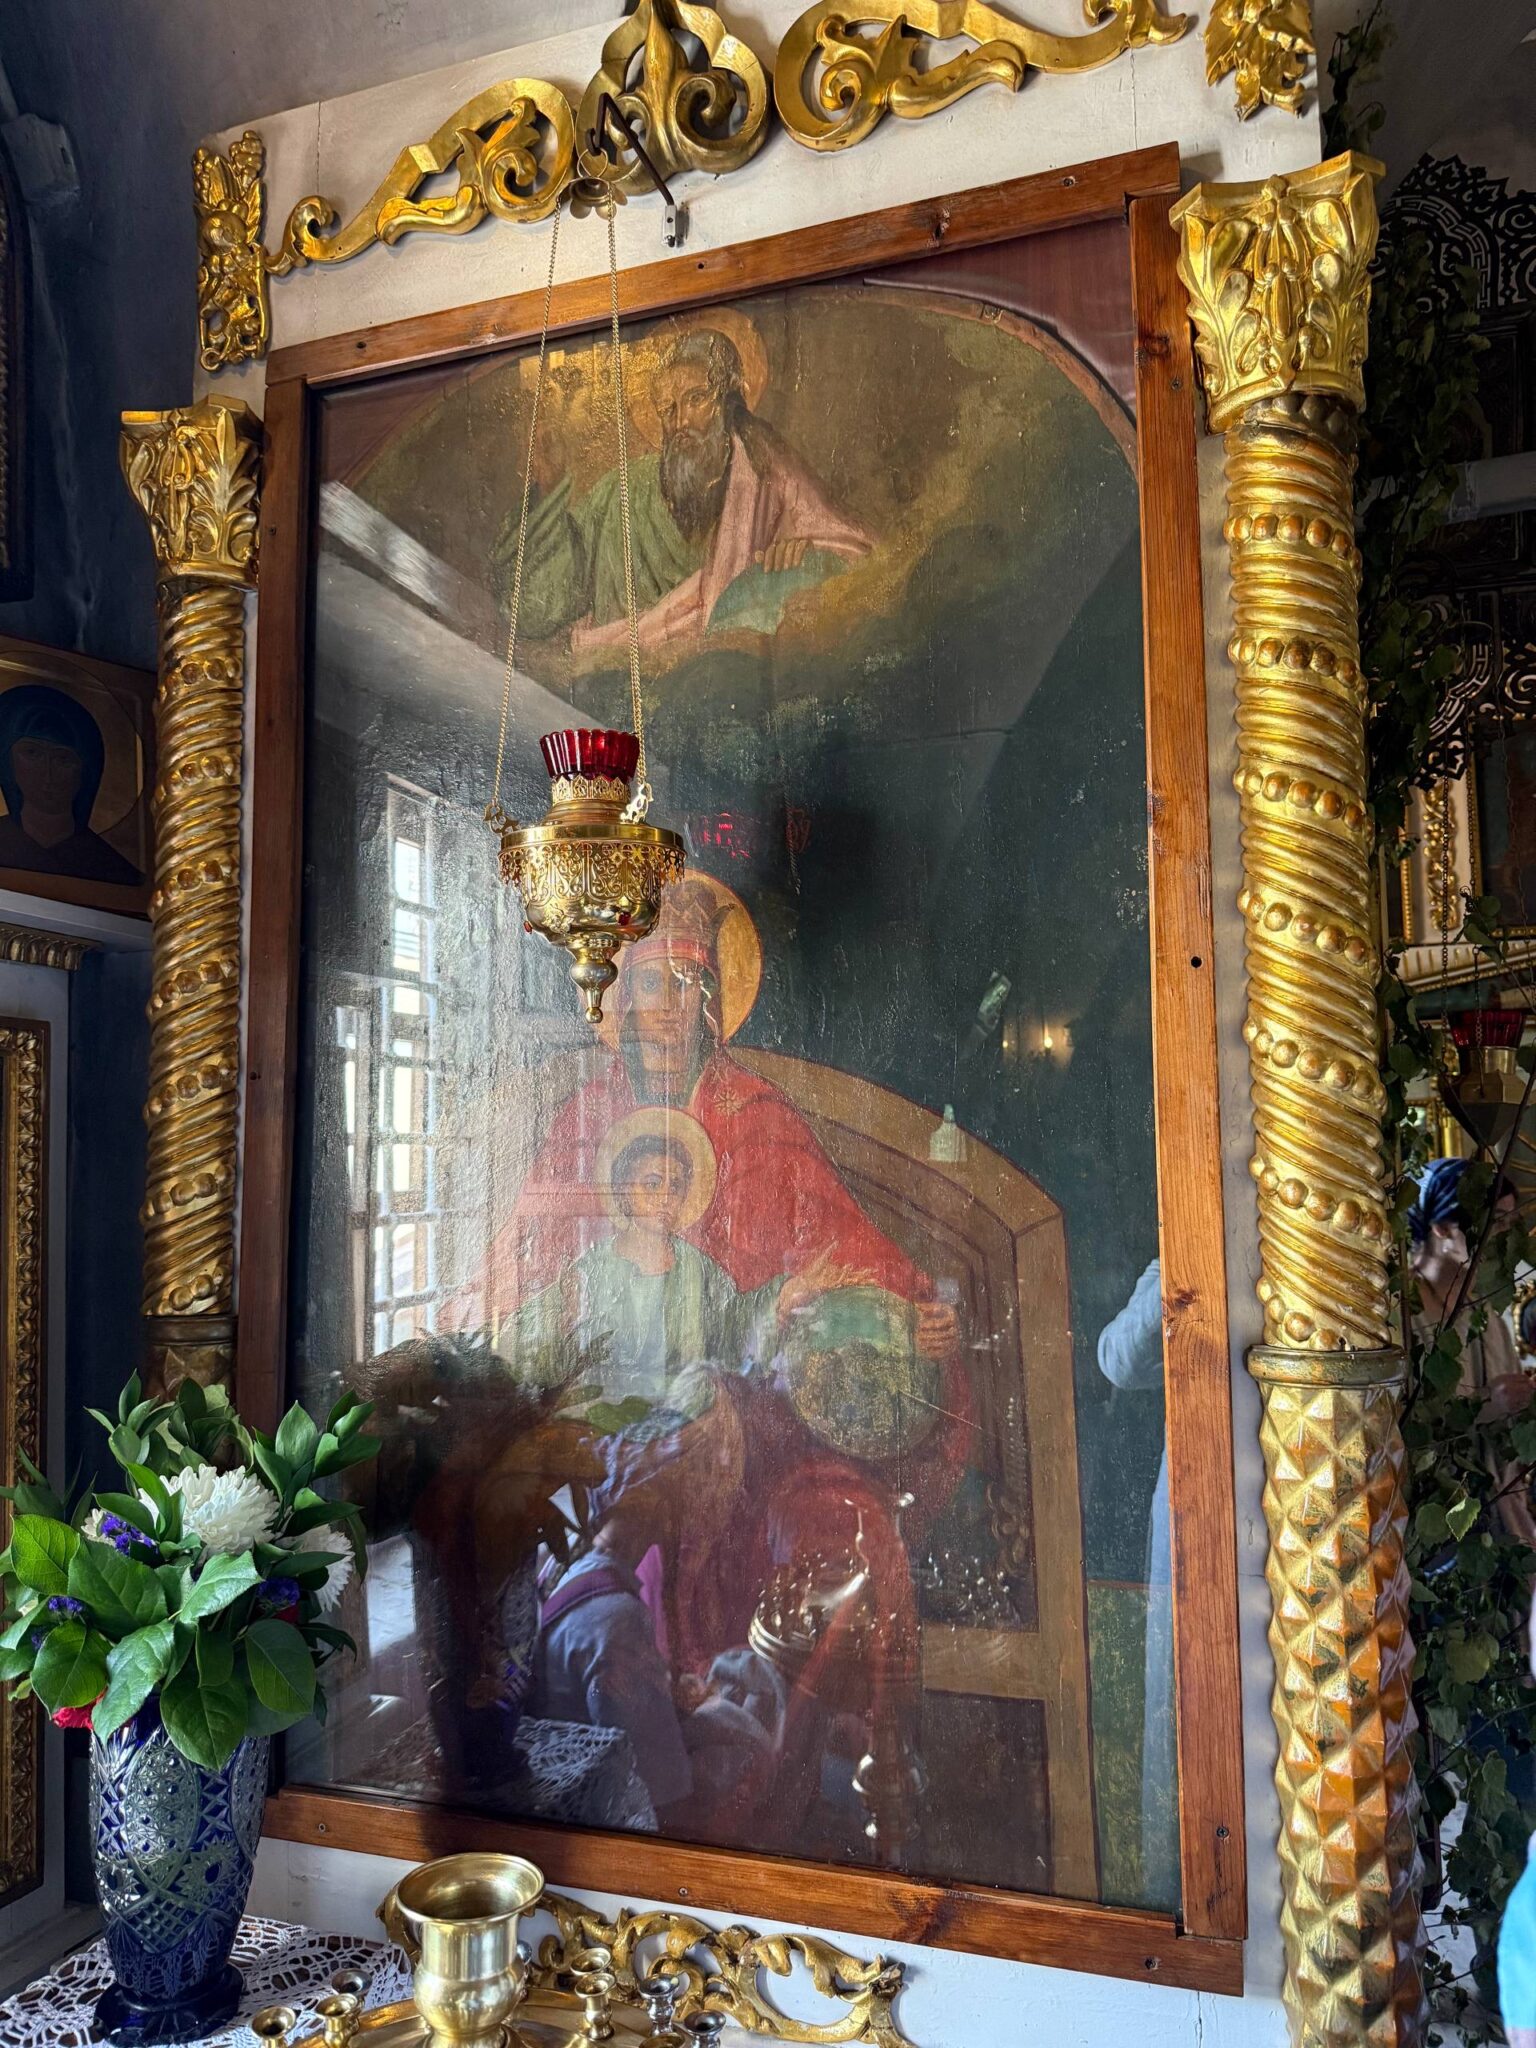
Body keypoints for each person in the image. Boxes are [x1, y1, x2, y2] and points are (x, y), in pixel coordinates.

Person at [500, 326, 873, 657]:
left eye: (696, 399)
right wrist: (548, 487)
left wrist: (802, 555)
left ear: (727, 400)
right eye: (668, 409)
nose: (680, 421)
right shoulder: (622, 493)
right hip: (629, 680)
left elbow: (855, 552)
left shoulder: (768, 470)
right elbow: (538, 606)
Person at [1096, 1257, 1177, 1905]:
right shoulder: (1180, 1250)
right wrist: (1182, 1269)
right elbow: (1117, 1360)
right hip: (1197, 1502)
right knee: (1178, 1691)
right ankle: (1171, 1882)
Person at [1408, 1157, 1536, 1552]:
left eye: (1509, 1223)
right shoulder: (1403, 1312)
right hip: (1429, 1526)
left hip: (1495, 1519)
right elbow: (1399, 1430)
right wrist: (1486, 1404)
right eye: (1494, 1222)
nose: (1505, 1237)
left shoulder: (1485, 1314)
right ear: (1442, 1228)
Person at [0, 684, 142, 885]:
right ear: (8, 762)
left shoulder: (113, 869)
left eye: (63, 759)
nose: (47, 773)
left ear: (86, 771)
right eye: (32, 753)